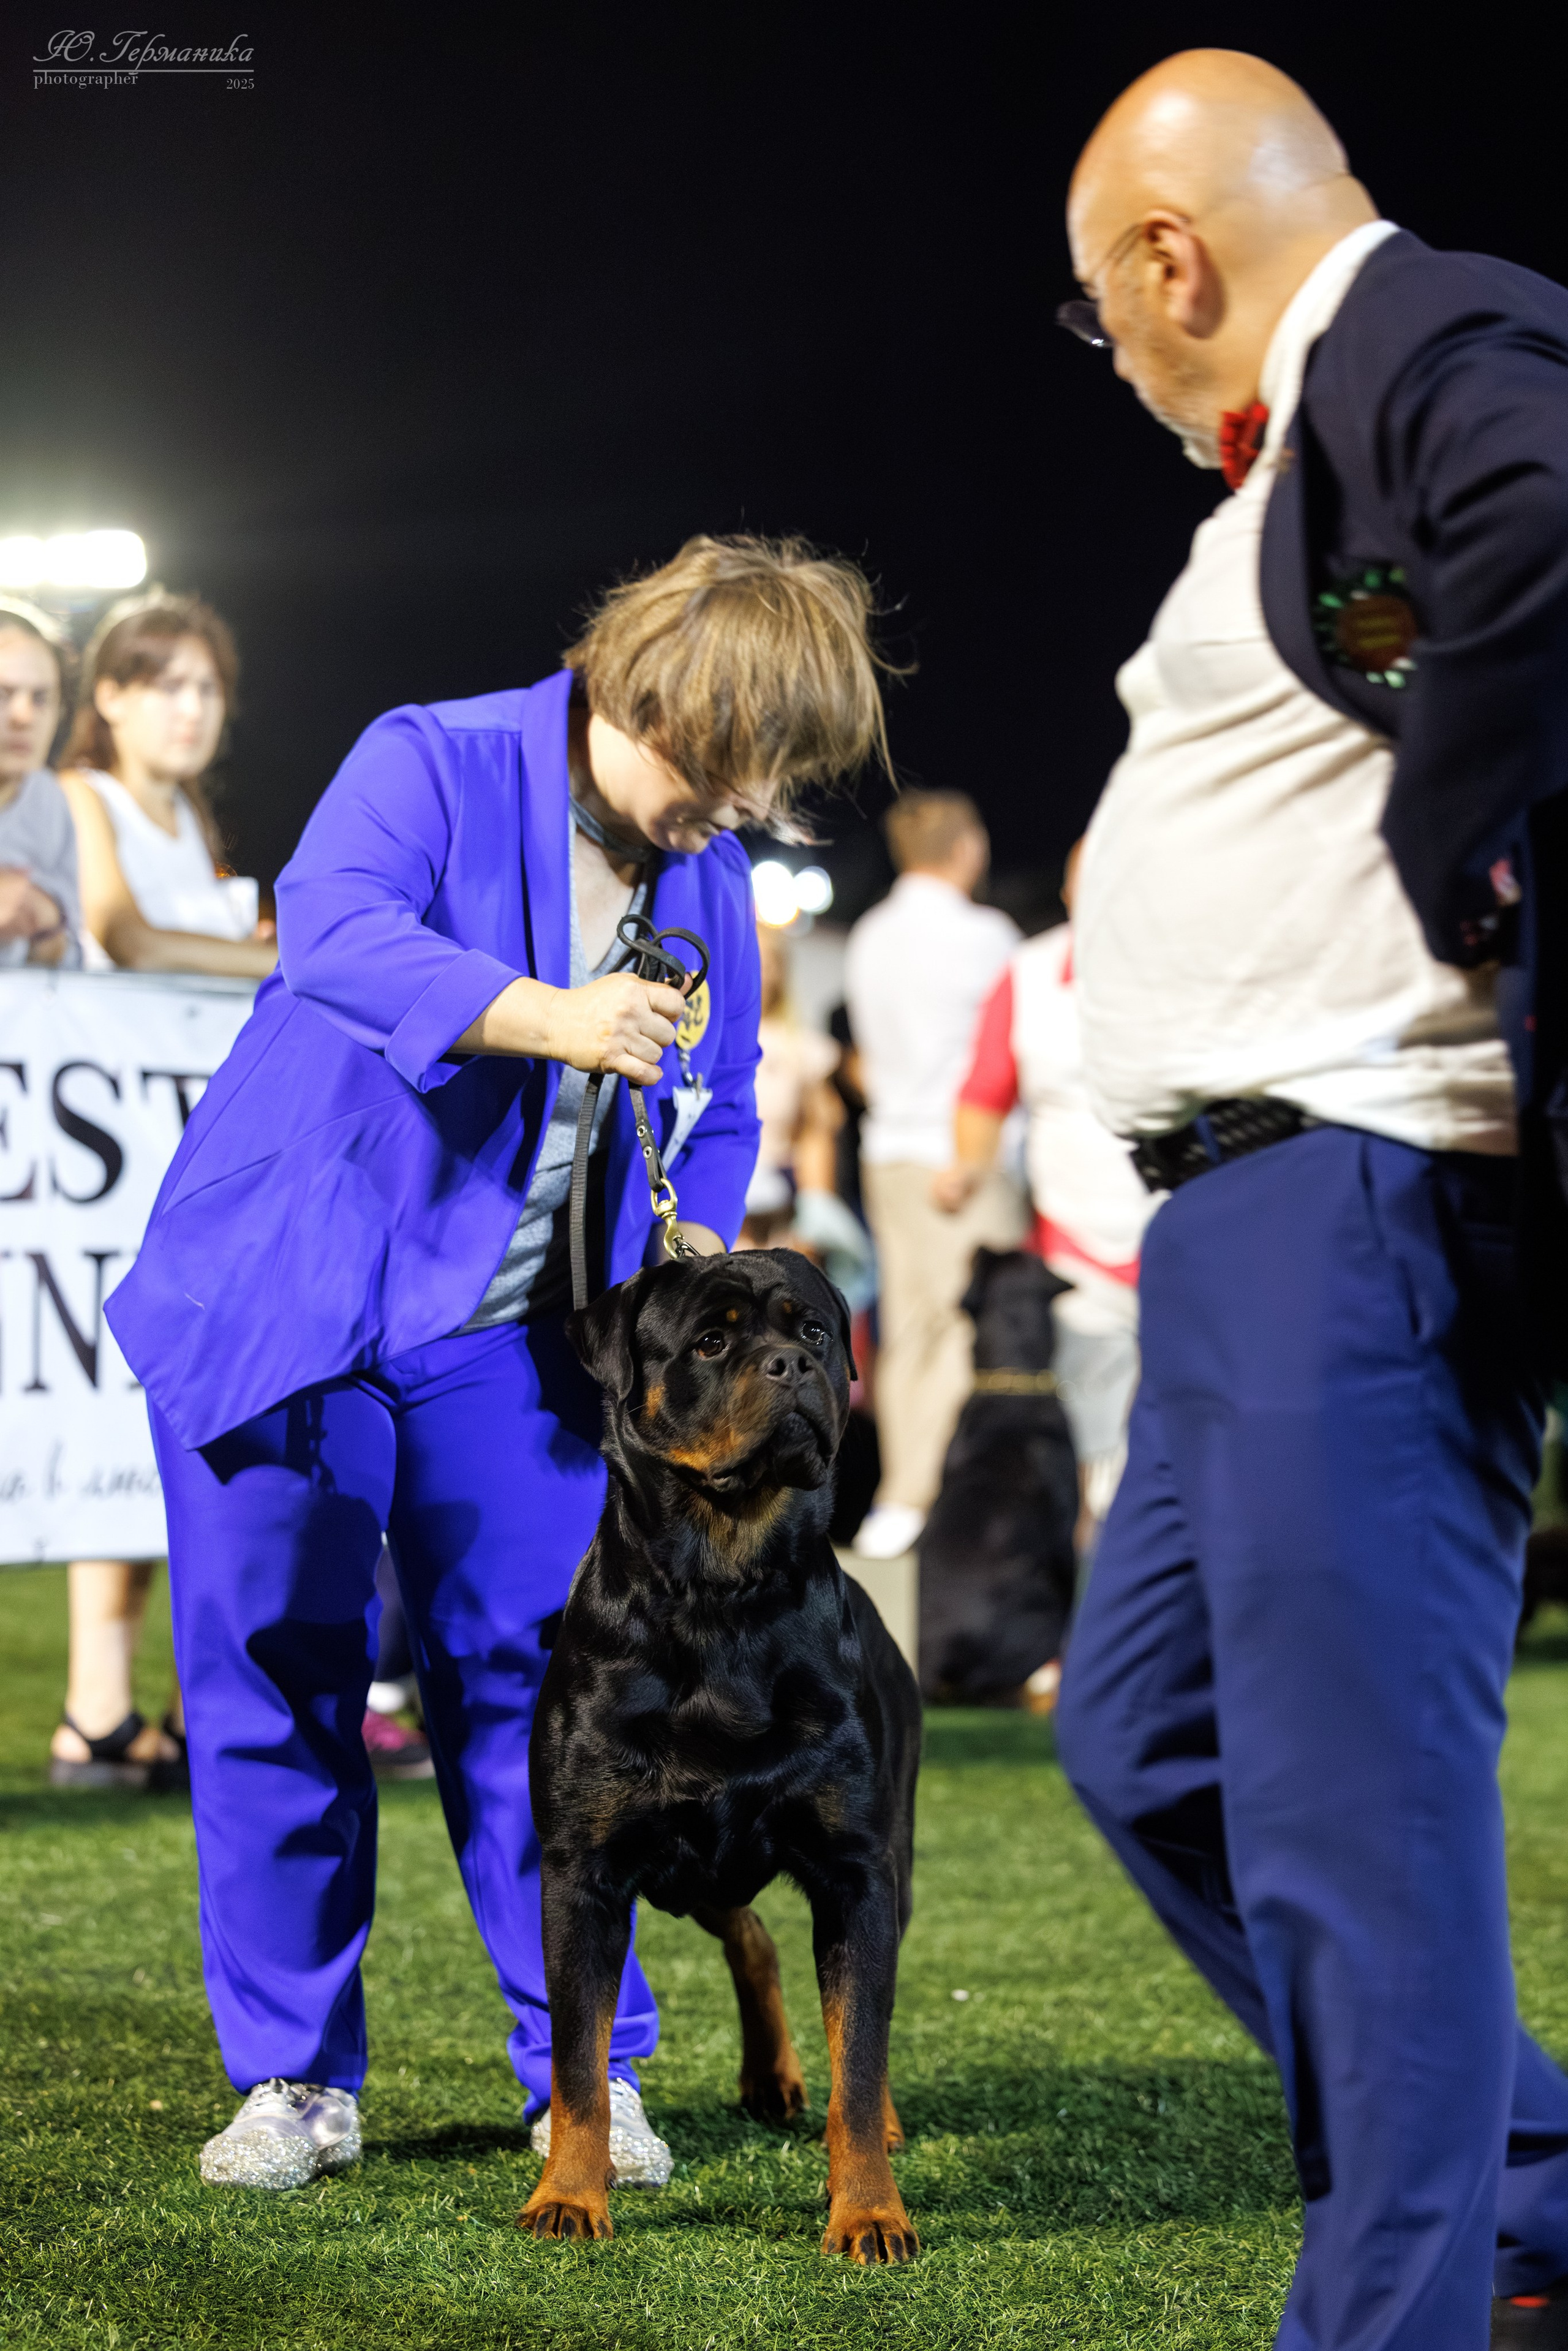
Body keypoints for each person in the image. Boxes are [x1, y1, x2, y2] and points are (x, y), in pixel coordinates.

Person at [104, 534, 890, 2193]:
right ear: (650, 693)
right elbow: (332, 932)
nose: (741, 811)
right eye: (727, 769)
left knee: (549, 1695)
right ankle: (296, 2077)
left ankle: (584, 2076)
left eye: (768, 783)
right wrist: (551, 1012)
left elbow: (721, 1095)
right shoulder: (430, 757)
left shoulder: (708, 870)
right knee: (276, 1677)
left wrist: (693, 1248)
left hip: (507, 1336)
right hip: (291, 1296)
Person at [1049, 51, 1568, 2351]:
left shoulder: (1417, 326)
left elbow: (1545, 522)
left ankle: (1401, 2307)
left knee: (1356, 1845)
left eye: (1100, 310)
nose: (1115, 358)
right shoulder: (1322, 450)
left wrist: (1454, 851)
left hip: (1353, 1191)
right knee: (1141, 1737)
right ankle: (1532, 2182)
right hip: (1240, 1218)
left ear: (1169, 259)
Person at [47, 596, 279, 1792]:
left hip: (191, 1151)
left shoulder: (191, 817)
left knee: (181, 1413)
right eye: (166, 684)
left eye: (208, 688)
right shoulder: (82, 798)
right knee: (110, 1403)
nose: (192, 709)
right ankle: (95, 1708)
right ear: (111, 697)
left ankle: (172, 1705)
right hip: (104, 1159)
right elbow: (123, 937)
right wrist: (283, 960)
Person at [933, 842, 1153, 1533]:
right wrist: (969, 1167)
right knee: (1088, 1432)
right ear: (1068, 892)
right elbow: (984, 1093)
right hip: (1074, 1236)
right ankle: (1087, 1579)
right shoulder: (1027, 973)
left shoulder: (1188, 963)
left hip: (1181, 1230)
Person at [844, 790, 1022, 1560]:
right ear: (967, 848)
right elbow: (1007, 1053)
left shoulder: (869, 935)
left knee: (909, 1327)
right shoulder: (986, 936)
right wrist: (976, 1159)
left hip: (889, 1150)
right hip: (962, 1156)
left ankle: (898, 1497)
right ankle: (938, 1496)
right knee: (965, 1328)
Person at [0, 598, 80, 970]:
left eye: (41, 698)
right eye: (2, 694)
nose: (24, 717)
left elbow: (72, 959)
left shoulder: (48, 799)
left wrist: (45, 922)